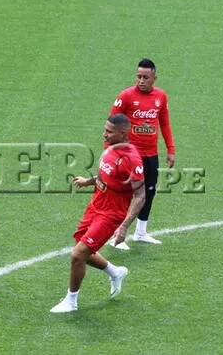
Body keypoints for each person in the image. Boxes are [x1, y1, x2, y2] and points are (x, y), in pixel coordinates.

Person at [50, 114, 145, 313]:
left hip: (110, 215)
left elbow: (140, 196)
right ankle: (115, 272)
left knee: (78, 255)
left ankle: (71, 301)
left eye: (109, 132)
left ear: (123, 133)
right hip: (95, 205)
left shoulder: (131, 159)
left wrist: (124, 227)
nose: (104, 134)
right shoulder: (111, 148)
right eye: (105, 130)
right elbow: (107, 174)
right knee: (82, 248)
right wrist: (89, 181)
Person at [107, 58, 175, 250]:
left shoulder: (161, 96)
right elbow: (111, 123)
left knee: (149, 192)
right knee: (125, 194)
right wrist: (110, 151)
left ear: (154, 78)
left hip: (151, 154)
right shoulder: (126, 96)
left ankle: (140, 232)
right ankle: (115, 236)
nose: (141, 80)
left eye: (146, 77)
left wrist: (170, 150)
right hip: (129, 154)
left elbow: (165, 124)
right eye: (138, 77)